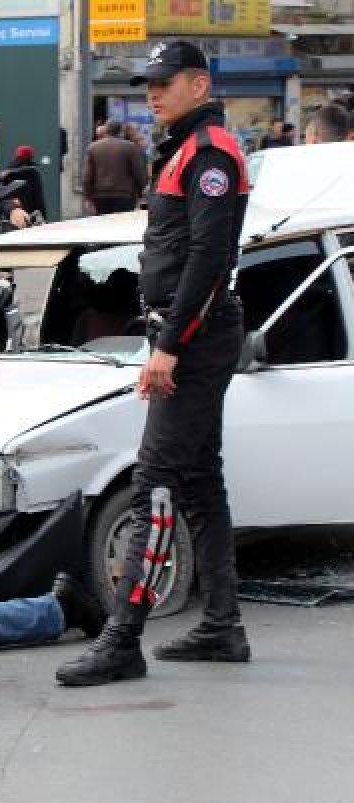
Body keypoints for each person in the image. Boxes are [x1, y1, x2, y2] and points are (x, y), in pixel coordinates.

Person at [57, 42, 252, 687]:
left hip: (195, 337)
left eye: (165, 83)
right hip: (186, 332)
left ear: (200, 84)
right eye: (149, 84)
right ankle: (223, 626)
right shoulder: (181, 150)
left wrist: (169, 348)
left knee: (156, 483)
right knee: (197, 480)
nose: (153, 94)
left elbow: (210, 260)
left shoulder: (212, 154)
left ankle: (122, 639)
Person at [83, 120, 148, 215]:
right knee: (122, 225)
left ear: (106, 130)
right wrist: (142, 193)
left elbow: (87, 175)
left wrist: (88, 196)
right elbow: (138, 172)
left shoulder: (93, 148)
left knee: (103, 225)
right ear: (120, 130)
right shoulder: (130, 147)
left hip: (100, 196)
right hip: (125, 195)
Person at [2, 145, 48, 218]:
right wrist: (43, 216)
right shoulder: (32, 173)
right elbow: (38, 197)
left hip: (13, 215)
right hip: (31, 215)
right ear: (31, 157)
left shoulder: (7, 174)